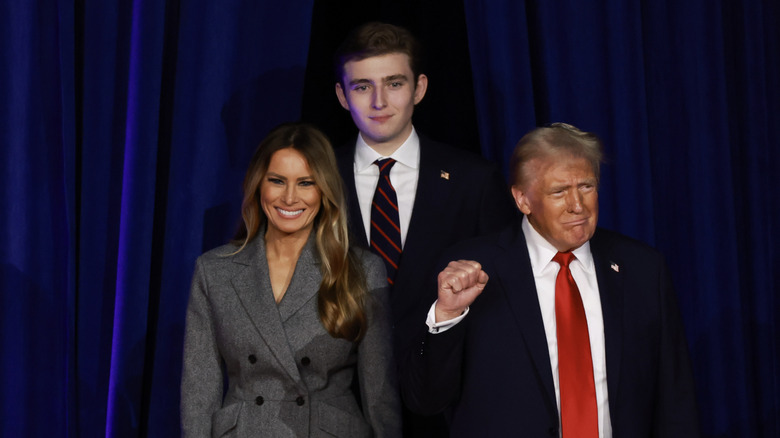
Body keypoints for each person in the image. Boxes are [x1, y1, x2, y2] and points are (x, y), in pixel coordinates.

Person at [401, 123, 700, 437]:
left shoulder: (642, 268)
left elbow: (675, 397)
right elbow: (424, 398)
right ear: (523, 200)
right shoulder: (473, 270)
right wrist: (446, 317)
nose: (577, 205)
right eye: (559, 191)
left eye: (586, 186)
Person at [333, 22, 517, 436]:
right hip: (339, 411)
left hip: (449, 411)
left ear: (419, 88)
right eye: (362, 87)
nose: (379, 101)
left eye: (394, 83)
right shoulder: (316, 179)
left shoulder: (475, 180)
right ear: (343, 96)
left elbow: (505, 302)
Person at [181, 123, 401, 437]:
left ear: (324, 190)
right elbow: (199, 391)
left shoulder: (361, 270)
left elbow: (380, 394)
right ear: (259, 184)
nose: (289, 197)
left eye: (305, 183)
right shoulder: (214, 270)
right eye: (277, 181)